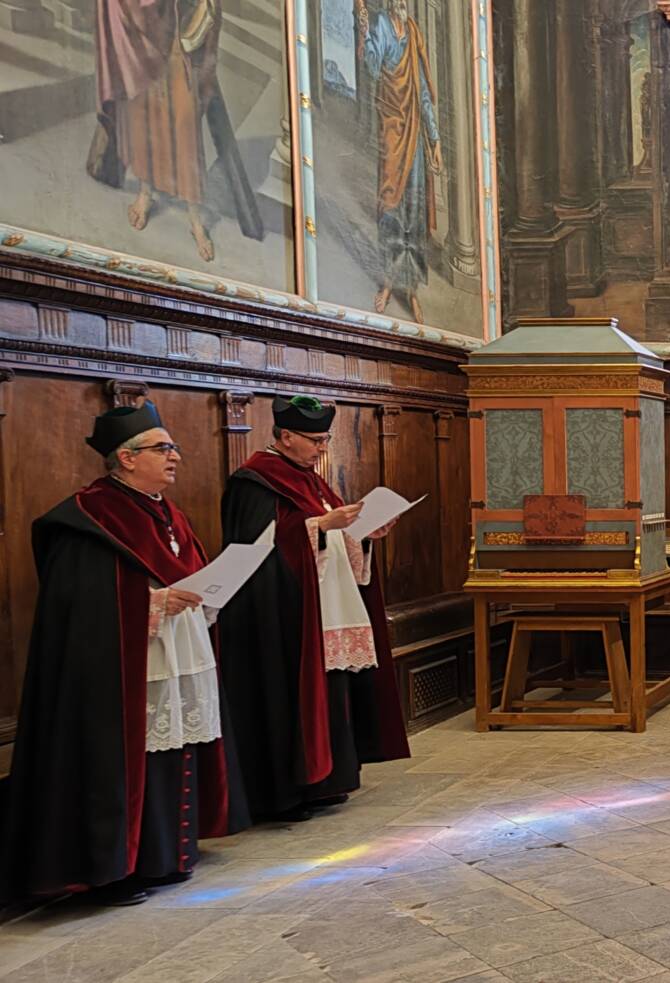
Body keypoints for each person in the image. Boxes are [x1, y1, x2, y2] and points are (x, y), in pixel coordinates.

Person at [1, 403, 248, 905]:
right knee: (129, 761)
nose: (175, 456)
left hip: (175, 652)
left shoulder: (167, 512)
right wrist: (154, 603)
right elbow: (82, 601)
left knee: (173, 747)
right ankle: (117, 867)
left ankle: (168, 855)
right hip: (119, 668)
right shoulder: (89, 515)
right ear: (127, 457)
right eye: (163, 448)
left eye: (174, 447)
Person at [218, 395, 410, 822]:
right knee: (291, 698)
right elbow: (256, 548)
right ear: (286, 436)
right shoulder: (254, 481)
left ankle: (328, 782)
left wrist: (363, 534)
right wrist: (322, 525)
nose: (322, 448)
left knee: (331, 693)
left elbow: (331, 535)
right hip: (282, 616)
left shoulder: (311, 481)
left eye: (325, 440)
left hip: (327, 607)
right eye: (315, 440)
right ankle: (291, 792)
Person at [96, 0, 224, 260]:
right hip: (149, 30)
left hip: (181, 29)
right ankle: (145, 193)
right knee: (147, 115)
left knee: (186, 129)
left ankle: (195, 219)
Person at [362, 0, 443, 323]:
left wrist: (435, 140)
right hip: (392, 132)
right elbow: (372, 69)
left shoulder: (413, 32)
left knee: (414, 212)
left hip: (414, 138)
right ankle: (387, 282)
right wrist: (365, 32)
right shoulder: (382, 25)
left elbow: (421, 91)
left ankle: (411, 291)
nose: (403, 3)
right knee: (390, 207)